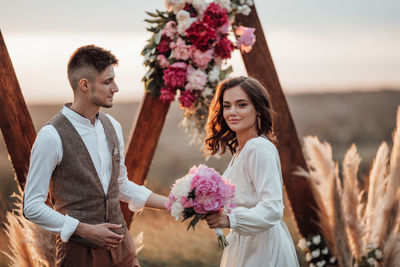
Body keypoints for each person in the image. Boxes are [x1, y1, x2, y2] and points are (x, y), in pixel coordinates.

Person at [23, 45, 168, 267]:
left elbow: (120, 186)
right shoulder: (51, 136)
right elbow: (32, 206)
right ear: (84, 85)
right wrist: (84, 230)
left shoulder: (113, 127)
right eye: (107, 82)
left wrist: (173, 203)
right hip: (80, 254)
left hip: (123, 248)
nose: (115, 88)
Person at [203, 76, 299, 266]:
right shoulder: (242, 149)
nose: (232, 112)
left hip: (261, 248)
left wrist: (230, 220)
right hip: (244, 243)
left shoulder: (258, 148)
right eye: (227, 106)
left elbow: (272, 208)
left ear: (258, 110)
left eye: (241, 105)